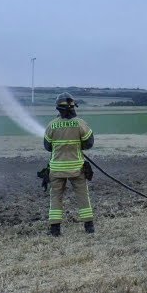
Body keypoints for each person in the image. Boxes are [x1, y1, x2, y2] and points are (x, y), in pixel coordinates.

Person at [42, 93, 95, 236]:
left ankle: (55, 230)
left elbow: (47, 146)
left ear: (58, 108)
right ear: (73, 107)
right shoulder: (80, 123)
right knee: (83, 196)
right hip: (76, 168)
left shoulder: (52, 125)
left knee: (56, 197)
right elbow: (89, 143)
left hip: (56, 169)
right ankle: (89, 228)